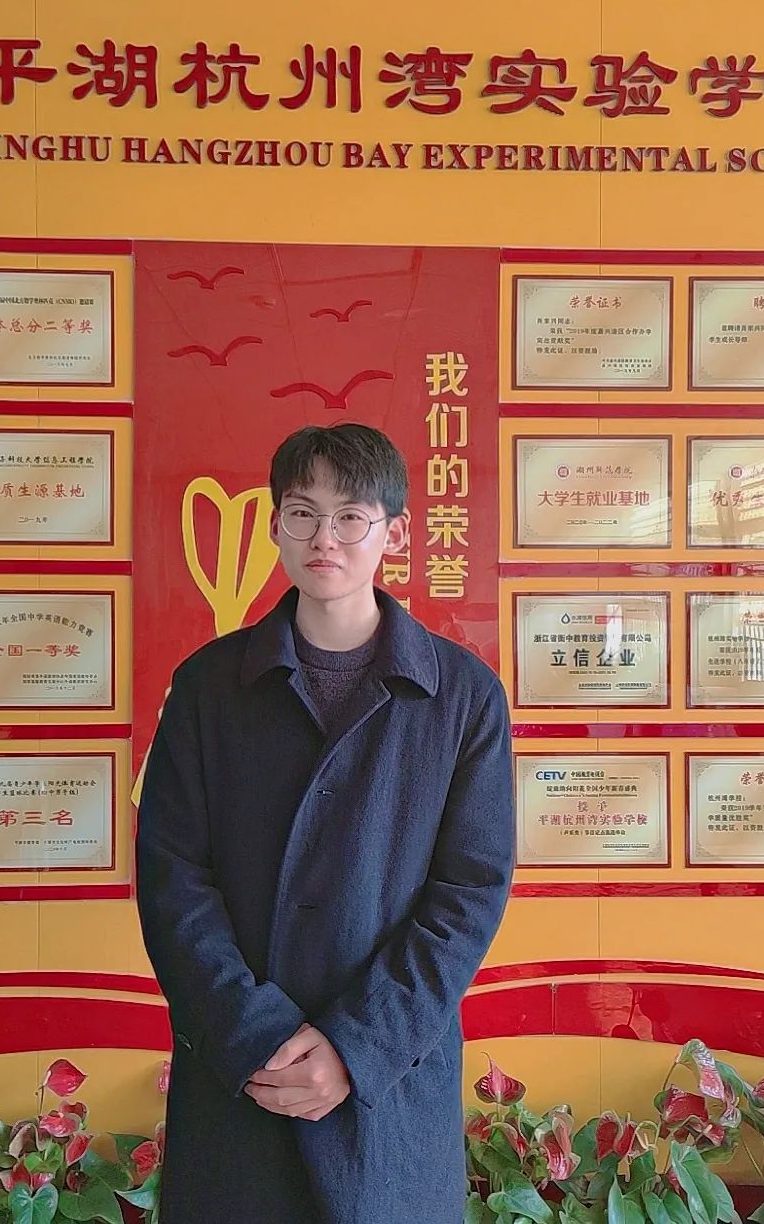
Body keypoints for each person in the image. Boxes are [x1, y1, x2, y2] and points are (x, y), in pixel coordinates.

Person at [136, 423, 515, 1224]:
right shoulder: (208, 687)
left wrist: (357, 1046)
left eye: (351, 515)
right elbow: (173, 878)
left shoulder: (462, 696)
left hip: (386, 1090)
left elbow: (468, 892)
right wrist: (255, 1034)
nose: (324, 538)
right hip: (242, 1077)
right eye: (303, 513)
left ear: (395, 533)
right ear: (275, 524)